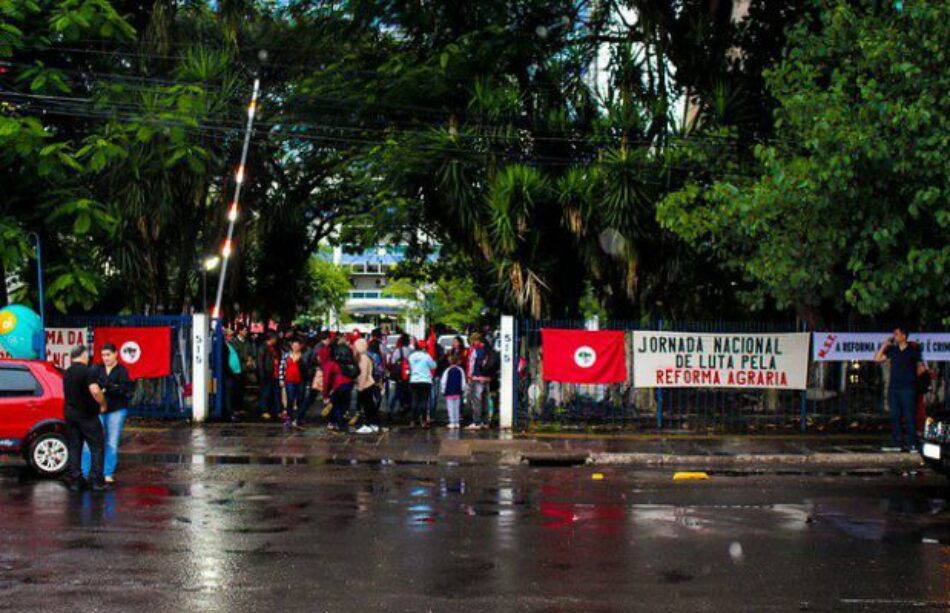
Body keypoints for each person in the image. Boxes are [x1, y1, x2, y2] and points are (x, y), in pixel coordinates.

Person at [81, 343, 132, 484]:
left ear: (116, 354)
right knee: (88, 441)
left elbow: (124, 390)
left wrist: (106, 386)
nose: (105, 358)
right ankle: (85, 473)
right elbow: (91, 386)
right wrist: (110, 387)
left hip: (116, 410)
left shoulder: (122, 370)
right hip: (97, 410)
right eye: (103, 355)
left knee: (111, 442)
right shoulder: (96, 369)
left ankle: (107, 473)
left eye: (108, 354)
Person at [63, 345, 108, 492]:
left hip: (70, 414)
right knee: (97, 446)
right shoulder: (87, 371)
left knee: (75, 447)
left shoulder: (67, 372)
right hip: (87, 415)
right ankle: (96, 481)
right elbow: (95, 391)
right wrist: (102, 404)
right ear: (84, 355)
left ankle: (76, 481)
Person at [875, 326, 926, 452]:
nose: (894, 336)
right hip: (894, 388)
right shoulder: (893, 350)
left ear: (904, 336)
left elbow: (922, 368)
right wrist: (884, 345)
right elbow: (877, 359)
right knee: (895, 415)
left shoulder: (913, 350)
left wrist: (912, 377)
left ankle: (912, 443)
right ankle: (896, 442)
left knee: (909, 416)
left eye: (896, 334)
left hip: (908, 388)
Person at [323, 338, 356, 432]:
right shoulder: (345, 361)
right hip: (349, 384)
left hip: (339, 386)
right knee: (342, 406)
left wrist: (325, 395)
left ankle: (340, 426)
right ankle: (335, 423)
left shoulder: (330, 364)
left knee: (336, 405)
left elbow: (326, 381)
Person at [408, 340, 437, 428]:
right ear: (424, 348)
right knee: (424, 401)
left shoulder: (411, 356)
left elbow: (411, 367)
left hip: (414, 380)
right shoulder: (427, 356)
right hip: (425, 381)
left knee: (414, 401)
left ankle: (412, 421)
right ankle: (424, 422)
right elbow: (433, 366)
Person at [353, 339, 379, 434]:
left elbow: (363, 374)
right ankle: (373, 424)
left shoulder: (363, 358)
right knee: (370, 406)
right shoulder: (366, 357)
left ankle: (368, 425)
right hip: (368, 384)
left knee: (367, 406)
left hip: (366, 385)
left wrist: (360, 386)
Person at [279, 337, 306, 426]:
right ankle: (289, 418)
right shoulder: (286, 355)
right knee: (290, 399)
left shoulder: (303, 356)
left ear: (300, 346)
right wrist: (281, 379)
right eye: (293, 345)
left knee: (300, 399)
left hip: (300, 381)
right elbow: (282, 368)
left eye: (297, 346)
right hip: (289, 380)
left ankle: (300, 418)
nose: (295, 347)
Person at [466, 333, 491, 430]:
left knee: (477, 401)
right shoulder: (487, 349)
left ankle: (477, 422)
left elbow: (471, 363)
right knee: (485, 400)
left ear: (474, 340)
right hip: (487, 378)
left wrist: (469, 376)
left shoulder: (474, 350)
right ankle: (485, 422)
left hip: (477, 378)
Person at [257, 333, 280, 420]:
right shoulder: (263, 348)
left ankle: (276, 410)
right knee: (266, 393)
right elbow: (260, 363)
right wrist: (262, 375)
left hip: (274, 373)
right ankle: (264, 410)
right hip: (268, 374)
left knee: (275, 393)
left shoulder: (272, 348)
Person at [388, 333, 412, 416]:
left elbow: (392, 362)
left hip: (399, 375)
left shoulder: (398, 350)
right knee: (408, 393)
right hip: (408, 375)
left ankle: (391, 409)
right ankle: (407, 408)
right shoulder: (410, 350)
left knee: (396, 392)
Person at [440, 354, 467, 430]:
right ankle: (457, 422)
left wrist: (443, 390)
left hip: (449, 392)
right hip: (458, 391)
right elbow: (463, 381)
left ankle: (452, 422)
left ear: (449, 362)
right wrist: (463, 390)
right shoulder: (460, 370)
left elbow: (443, 382)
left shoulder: (447, 370)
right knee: (457, 407)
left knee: (450, 407)